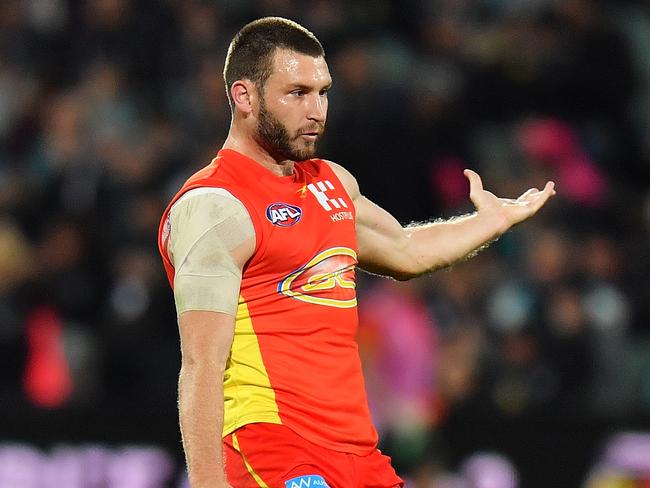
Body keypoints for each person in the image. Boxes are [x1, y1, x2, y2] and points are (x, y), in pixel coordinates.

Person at [157, 17, 555, 488]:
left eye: (323, 92)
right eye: (297, 93)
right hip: (271, 449)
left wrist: (489, 223)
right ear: (244, 97)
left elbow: (405, 250)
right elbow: (201, 366)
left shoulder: (332, 184)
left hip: (357, 454)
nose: (316, 111)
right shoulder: (215, 209)